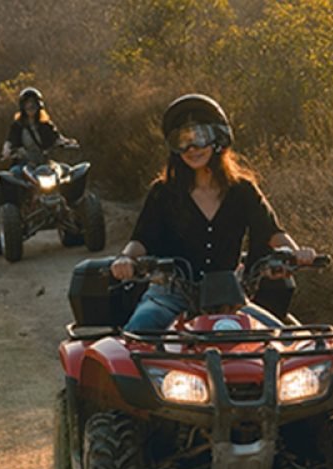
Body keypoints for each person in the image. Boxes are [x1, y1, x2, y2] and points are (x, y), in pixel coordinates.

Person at [110, 93, 317, 331]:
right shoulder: (163, 192)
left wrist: (296, 254)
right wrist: (124, 259)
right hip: (170, 296)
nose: (191, 148)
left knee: (280, 339)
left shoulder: (243, 190)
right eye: (182, 140)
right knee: (137, 335)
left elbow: (274, 233)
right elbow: (141, 240)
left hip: (229, 299)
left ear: (218, 138)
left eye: (199, 137)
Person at [0, 87, 74, 204]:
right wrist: (7, 150)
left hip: (45, 163)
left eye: (33, 104)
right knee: (14, 174)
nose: (30, 107)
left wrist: (67, 142)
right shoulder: (17, 126)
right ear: (22, 107)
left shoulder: (46, 124)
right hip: (25, 163)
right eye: (27, 104)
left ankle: (70, 205)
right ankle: (19, 208)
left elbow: (57, 137)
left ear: (39, 105)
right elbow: (10, 140)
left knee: (67, 171)